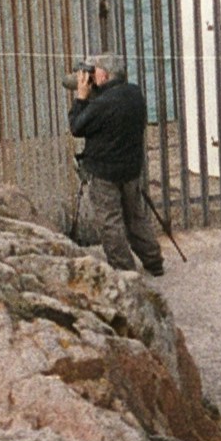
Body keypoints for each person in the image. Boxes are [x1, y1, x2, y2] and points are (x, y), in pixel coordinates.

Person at [66, 53, 164, 277]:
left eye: (94, 70)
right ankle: (153, 260)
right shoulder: (134, 93)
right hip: (130, 168)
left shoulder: (101, 104)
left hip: (104, 172)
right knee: (135, 217)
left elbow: (77, 127)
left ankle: (124, 270)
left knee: (110, 222)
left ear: (103, 74)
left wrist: (81, 98)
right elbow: (111, 110)